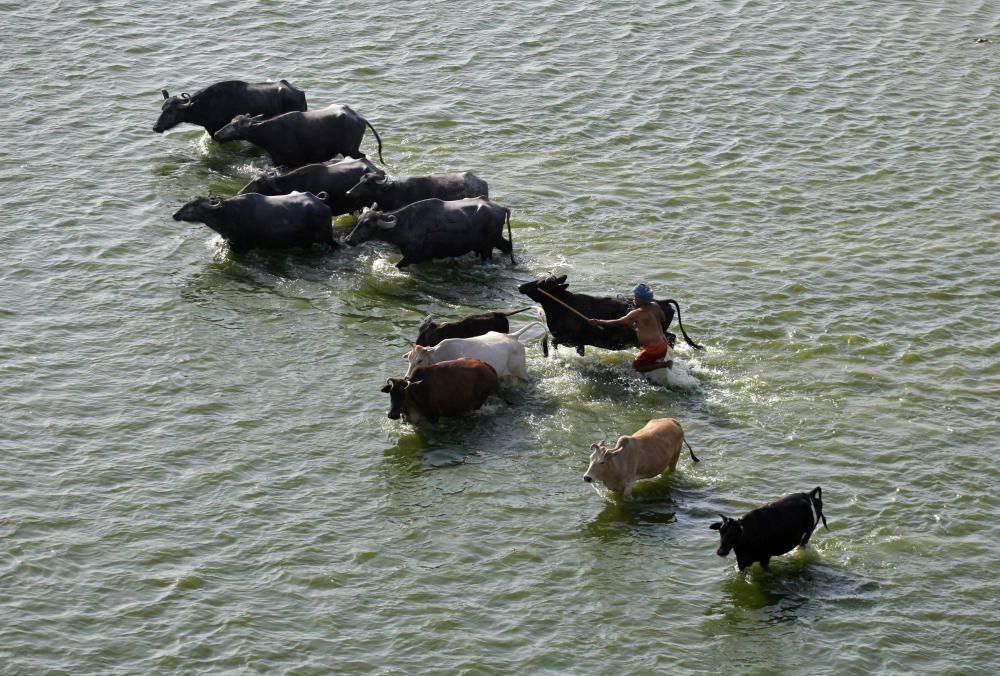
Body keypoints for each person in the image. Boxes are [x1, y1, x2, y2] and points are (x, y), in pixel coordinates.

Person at [589, 283, 672, 372]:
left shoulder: (637, 313)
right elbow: (662, 319)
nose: (634, 298)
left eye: (635, 296)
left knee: (636, 367)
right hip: (663, 344)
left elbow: (617, 322)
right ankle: (657, 366)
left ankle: (665, 365)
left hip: (653, 349)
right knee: (648, 362)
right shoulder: (655, 305)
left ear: (640, 299)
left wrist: (597, 321)